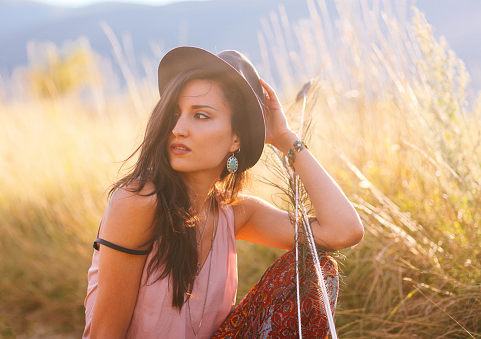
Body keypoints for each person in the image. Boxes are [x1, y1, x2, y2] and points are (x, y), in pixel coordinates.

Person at [83, 46, 364, 338]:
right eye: (175, 113)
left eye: (201, 116)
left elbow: (342, 231)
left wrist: (284, 138)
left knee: (316, 270)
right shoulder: (139, 202)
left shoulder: (236, 212)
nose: (178, 128)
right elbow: (105, 333)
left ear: (236, 139)